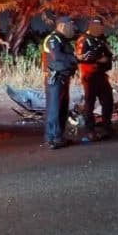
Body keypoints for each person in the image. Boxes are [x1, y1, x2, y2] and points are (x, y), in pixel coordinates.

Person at [42, 16, 79, 149]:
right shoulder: (53, 39)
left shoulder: (63, 40)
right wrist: (75, 58)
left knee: (62, 109)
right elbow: (58, 56)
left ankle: (59, 137)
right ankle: (51, 139)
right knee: (54, 109)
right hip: (55, 80)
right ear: (62, 26)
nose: (72, 28)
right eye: (70, 25)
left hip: (63, 79)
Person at [76, 17, 115, 142]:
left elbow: (108, 53)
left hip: (101, 75)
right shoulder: (83, 40)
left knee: (108, 101)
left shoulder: (100, 39)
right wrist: (99, 59)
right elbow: (80, 57)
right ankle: (90, 131)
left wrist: (108, 57)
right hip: (89, 75)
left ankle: (107, 128)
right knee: (90, 103)